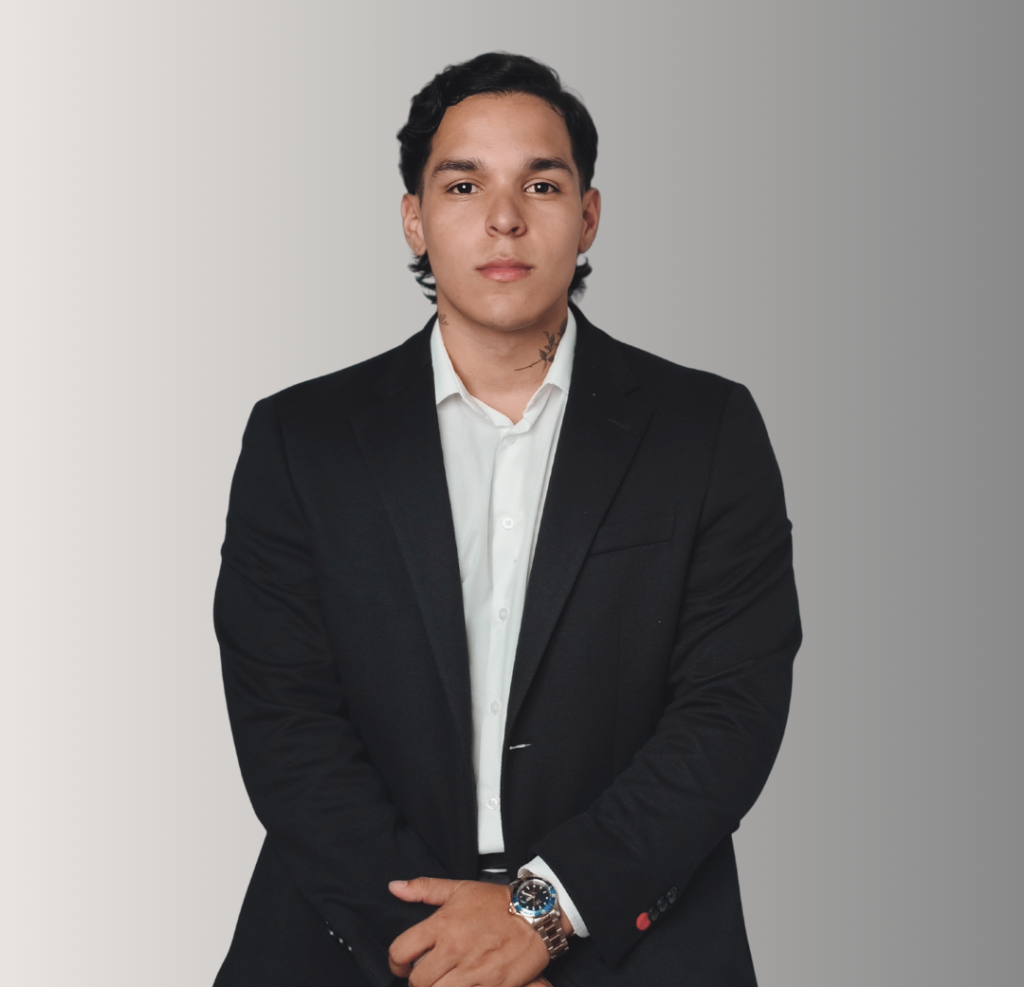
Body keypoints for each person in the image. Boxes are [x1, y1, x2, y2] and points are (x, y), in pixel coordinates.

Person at [212, 52, 801, 987]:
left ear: (589, 214)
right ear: (414, 217)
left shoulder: (706, 430)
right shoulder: (300, 439)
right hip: (357, 938)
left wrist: (542, 914)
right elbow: (284, 718)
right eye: (463, 184)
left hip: (629, 937)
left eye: (541, 183)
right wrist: (442, 951)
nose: (504, 217)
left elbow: (731, 710)